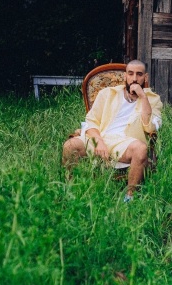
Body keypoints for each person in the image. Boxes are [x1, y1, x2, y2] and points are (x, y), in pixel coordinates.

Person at [62, 60, 163, 202]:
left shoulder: (153, 99)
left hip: (125, 143)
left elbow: (151, 127)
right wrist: (99, 142)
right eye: (130, 74)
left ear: (145, 77)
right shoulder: (107, 93)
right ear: (125, 76)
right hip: (101, 136)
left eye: (139, 74)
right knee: (70, 146)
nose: (134, 78)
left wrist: (143, 97)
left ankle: (129, 198)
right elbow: (91, 121)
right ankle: (71, 191)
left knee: (141, 149)